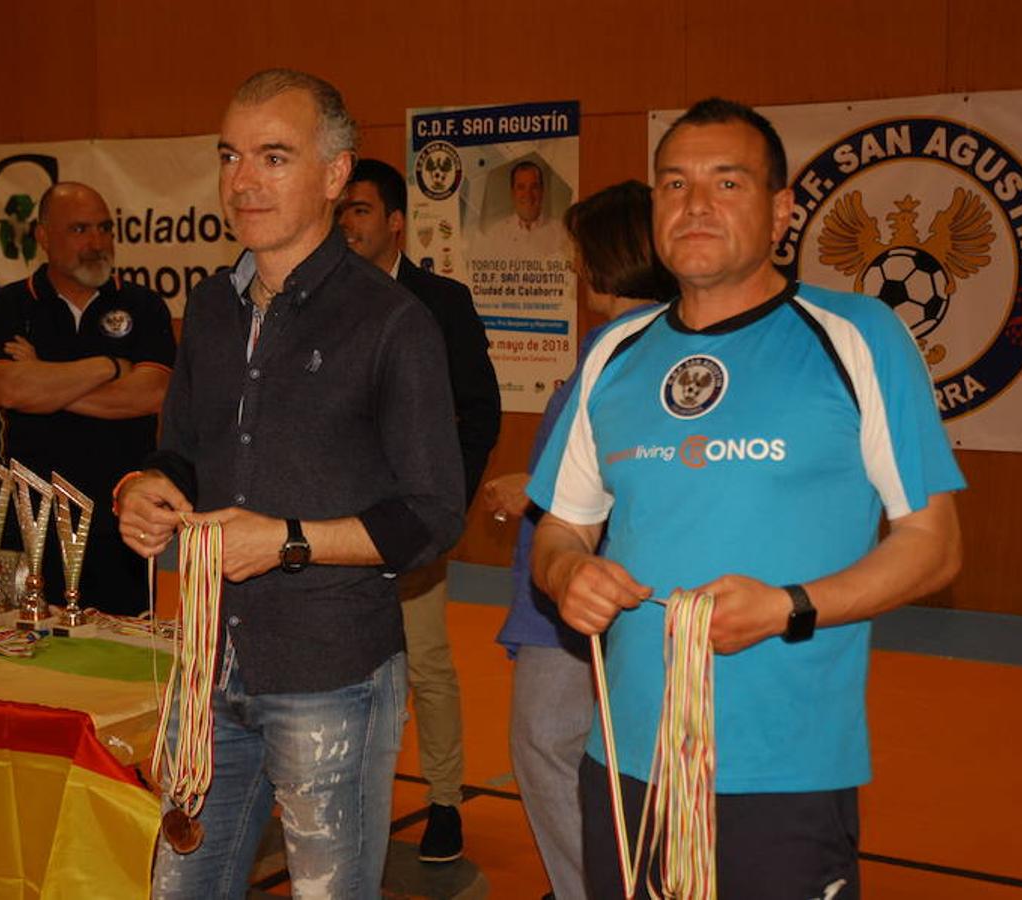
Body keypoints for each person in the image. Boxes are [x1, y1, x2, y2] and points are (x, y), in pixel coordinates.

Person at [528, 98, 965, 899]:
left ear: (779, 211)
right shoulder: (615, 355)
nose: (694, 205)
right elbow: (560, 529)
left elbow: (932, 544)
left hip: (783, 770)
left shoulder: (856, 336)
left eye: (726, 183)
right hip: (625, 760)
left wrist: (787, 607)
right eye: (673, 184)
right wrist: (565, 577)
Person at [116, 69, 465, 900]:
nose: (243, 181)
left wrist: (287, 540)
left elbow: (433, 516)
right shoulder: (209, 305)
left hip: (330, 676)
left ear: (336, 174)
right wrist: (147, 485)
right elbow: (186, 450)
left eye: (273, 157)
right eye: (231, 156)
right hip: (208, 663)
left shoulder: (393, 323)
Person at [482, 180, 677, 900]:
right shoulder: (639, 342)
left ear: (610, 254)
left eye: (578, 249)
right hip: (595, 585)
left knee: (545, 746)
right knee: (594, 754)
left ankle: (589, 886)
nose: (571, 264)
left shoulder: (625, 348)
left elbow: (617, 475)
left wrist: (529, 487)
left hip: (580, 593)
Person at [337, 157, 501, 863]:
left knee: (427, 663)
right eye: (340, 209)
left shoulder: (442, 303)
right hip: (333, 530)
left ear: (396, 221)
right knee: (338, 665)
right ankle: (337, 794)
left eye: (361, 210)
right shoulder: (320, 299)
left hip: (413, 524)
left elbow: (480, 411)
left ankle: (441, 800)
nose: (347, 222)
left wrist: (443, 511)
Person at [0, 181, 174, 615]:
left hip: (120, 517)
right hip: (27, 518)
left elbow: (152, 394)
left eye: (105, 229)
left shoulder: (144, 307)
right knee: (18, 658)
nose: (97, 243)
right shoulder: (9, 306)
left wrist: (45, 384)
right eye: (80, 230)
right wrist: (109, 366)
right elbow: (12, 389)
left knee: (123, 659)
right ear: (44, 237)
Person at [478, 160, 567, 258]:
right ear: (513, 193)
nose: (528, 194)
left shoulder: (561, 234)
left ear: (542, 191)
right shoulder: (495, 235)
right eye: (521, 187)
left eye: (534, 187)